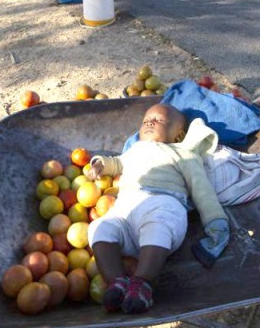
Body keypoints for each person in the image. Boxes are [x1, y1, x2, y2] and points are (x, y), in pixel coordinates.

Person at [86, 103, 229, 314]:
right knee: (99, 228)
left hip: (163, 203)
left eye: (159, 120)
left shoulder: (183, 155)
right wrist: (99, 164)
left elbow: (202, 188)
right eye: (145, 120)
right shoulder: (136, 149)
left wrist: (216, 221)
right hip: (126, 209)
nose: (150, 122)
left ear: (178, 136)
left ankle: (142, 283)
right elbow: (116, 163)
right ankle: (117, 282)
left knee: (158, 225)